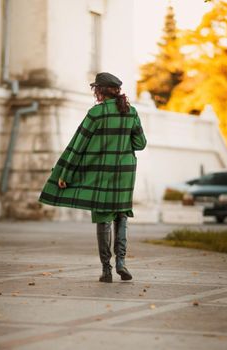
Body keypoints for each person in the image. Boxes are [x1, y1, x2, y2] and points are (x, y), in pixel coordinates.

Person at [39, 72, 147, 283]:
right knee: (121, 216)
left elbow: (78, 145)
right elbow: (140, 144)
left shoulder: (96, 114)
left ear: (99, 91)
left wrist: (65, 173)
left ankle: (106, 270)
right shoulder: (131, 112)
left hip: (101, 173)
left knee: (103, 218)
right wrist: (123, 143)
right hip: (124, 173)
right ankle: (122, 263)